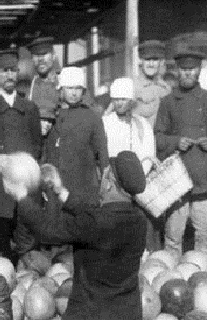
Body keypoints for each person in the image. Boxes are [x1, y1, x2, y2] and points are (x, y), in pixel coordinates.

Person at [1, 151, 146, 320]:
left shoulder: (96, 223)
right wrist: (61, 192)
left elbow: (47, 230)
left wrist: (22, 197)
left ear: (110, 182)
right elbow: (94, 212)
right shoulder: (138, 219)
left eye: (103, 174)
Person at [155, 49, 207, 257]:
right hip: (177, 183)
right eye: (183, 69)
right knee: (172, 238)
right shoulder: (167, 102)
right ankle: (171, 275)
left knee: (206, 237)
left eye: (192, 69)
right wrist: (176, 142)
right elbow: (158, 137)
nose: (188, 73)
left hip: (204, 181)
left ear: (199, 71)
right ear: (177, 71)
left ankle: (203, 276)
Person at [0, 49, 41, 261]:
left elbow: (36, 145)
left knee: (26, 241)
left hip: (24, 187)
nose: (10, 76)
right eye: (4, 71)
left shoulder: (29, 108)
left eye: (13, 70)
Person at [102, 77, 161, 252]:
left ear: (132, 100)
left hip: (138, 185)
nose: (119, 103)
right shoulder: (105, 123)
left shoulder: (142, 124)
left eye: (124, 99)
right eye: (116, 99)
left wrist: (136, 177)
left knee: (142, 229)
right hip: (113, 186)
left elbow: (149, 154)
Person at [42, 66, 109, 207]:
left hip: (83, 188)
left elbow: (102, 153)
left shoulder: (91, 117)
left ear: (83, 91)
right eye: (69, 88)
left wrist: (105, 181)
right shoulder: (52, 116)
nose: (73, 93)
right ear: (61, 89)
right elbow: (46, 152)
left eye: (78, 88)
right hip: (55, 186)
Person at [133, 40, 171, 127]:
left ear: (161, 62)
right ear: (140, 61)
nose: (151, 64)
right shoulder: (131, 87)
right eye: (147, 60)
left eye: (155, 60)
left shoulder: (166, 89)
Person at [26, 37, 60, 119]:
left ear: (53, 56)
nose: (40, 59)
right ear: (32, 59)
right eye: (36, 55)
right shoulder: (27, 89)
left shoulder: (66, 84)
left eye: (44, 54)